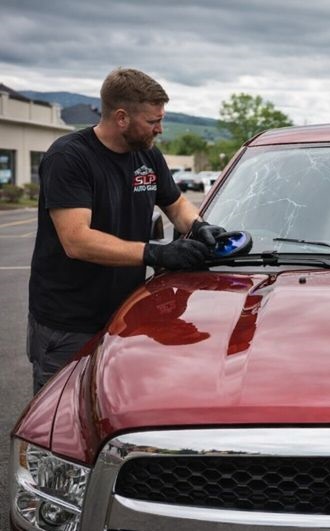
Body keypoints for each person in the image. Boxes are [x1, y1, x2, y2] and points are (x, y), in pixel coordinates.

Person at [27, 67, 225, 392]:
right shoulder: (69, 157)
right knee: (64, 411)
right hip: (69, 323)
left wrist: (200, 226)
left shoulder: (147, 155)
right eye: (152, 121)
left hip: (127, 314)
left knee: (119, 402)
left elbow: (176, 204)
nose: (160, 129)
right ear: (121, 118)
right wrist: (155, 253)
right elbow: (76, 240)